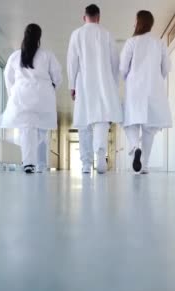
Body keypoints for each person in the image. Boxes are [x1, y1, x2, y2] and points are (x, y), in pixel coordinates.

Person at [67, 4, 123, 174]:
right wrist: (113, 83)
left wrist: (72, 85)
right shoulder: (106, 34)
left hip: (83, 83)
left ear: (84, 17)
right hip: (103, 84)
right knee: (101, 121)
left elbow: (72, 62)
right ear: (99, 17)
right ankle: (100, 159)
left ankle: (85, 164)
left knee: (84, 123)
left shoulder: (77, 34)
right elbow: (115, 62)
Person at [1, 24, 62, 174]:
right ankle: (35, 161)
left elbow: (7, 77)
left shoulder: (15, 56)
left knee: (26, 129)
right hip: (42, 96)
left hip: (22, 96)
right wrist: (52, 88)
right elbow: (58, 76)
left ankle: (29, 162)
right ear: (39, 37)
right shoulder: (48, 55)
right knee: (40, 130)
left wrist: (12, 93)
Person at [120, 10, 172, 174]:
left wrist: (127, 78)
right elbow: (166, 67)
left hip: (135, 88)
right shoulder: (160, 42)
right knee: (149, 129)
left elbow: (122, 67)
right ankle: (145, 165)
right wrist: (157, 78)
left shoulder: (131, 42)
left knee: (130, 122)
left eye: (135, 20)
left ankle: (135, 146)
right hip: (153, 88)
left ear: (139, 22)